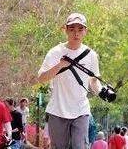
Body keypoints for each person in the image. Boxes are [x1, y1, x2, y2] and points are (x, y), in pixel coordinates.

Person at [36, 12, 102, 149]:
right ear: (65, 30)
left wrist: (101, 89)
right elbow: (41, 78)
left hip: (81, 110)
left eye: (80, 29)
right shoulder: (55, 52)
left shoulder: (91, 55)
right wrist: (60, 65)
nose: (76, 34)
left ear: (86, 31)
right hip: (58, 110)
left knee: (80, 146)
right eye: (72, 29)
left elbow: (94, 83)